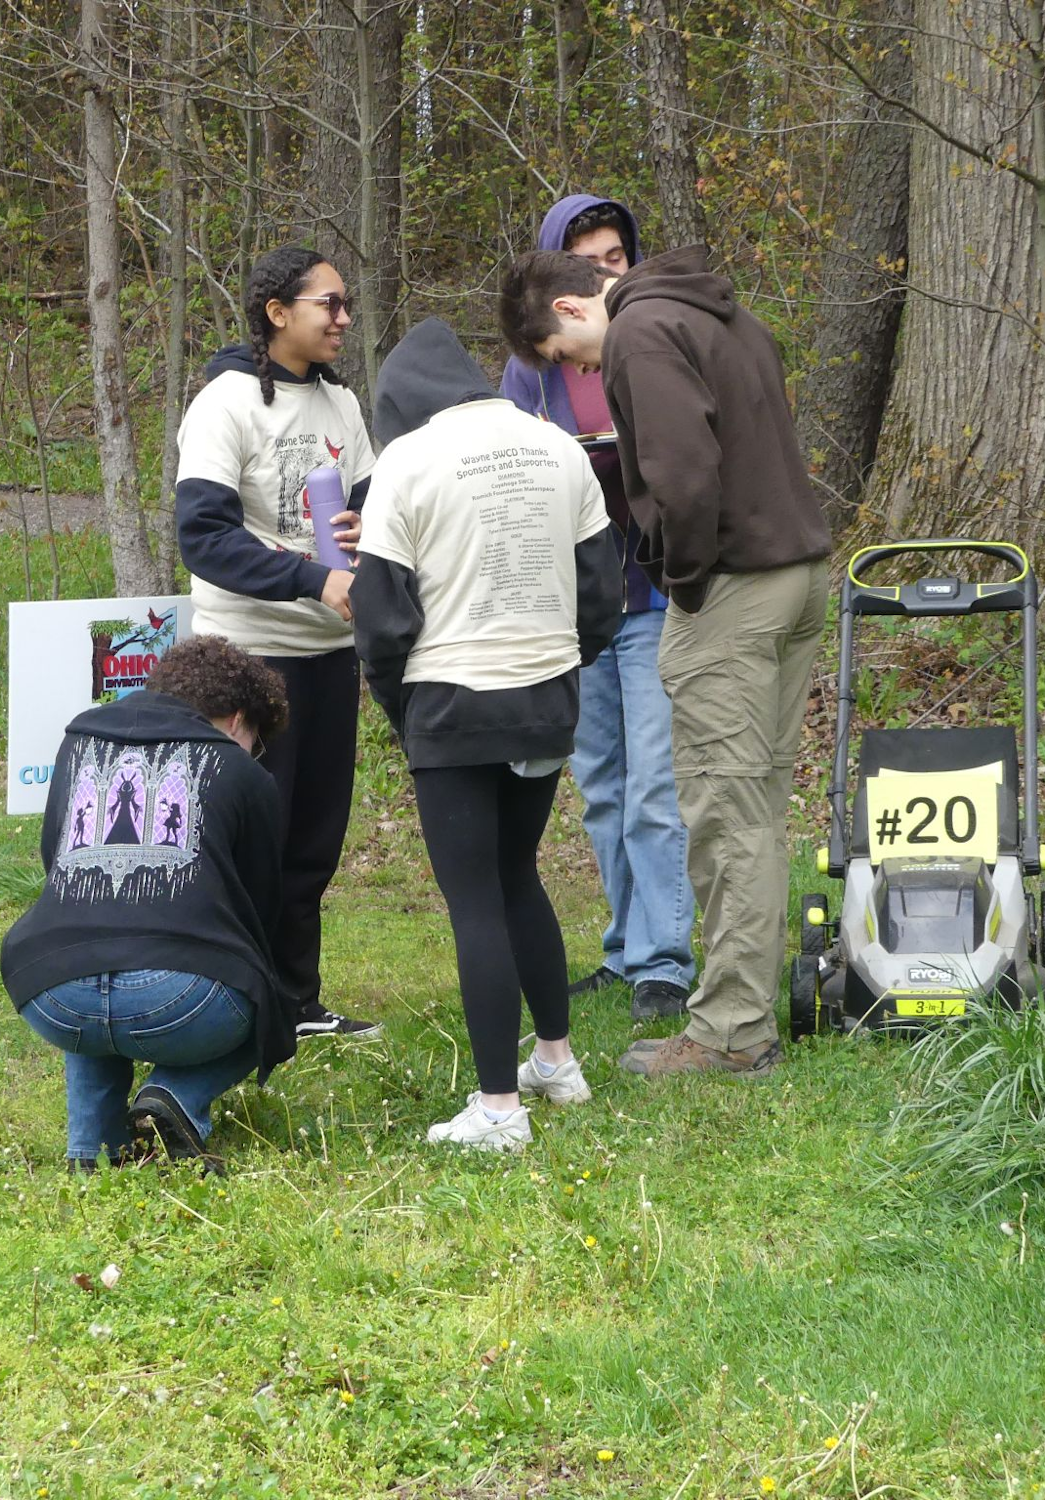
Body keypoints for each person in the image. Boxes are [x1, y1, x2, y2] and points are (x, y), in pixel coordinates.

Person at [497, 246, 833, 1079]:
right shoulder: (717, 310)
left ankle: (731, 1033)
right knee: (753, 807)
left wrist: (679, 581)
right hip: (798, 574)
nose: (578, 367)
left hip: (734, 589)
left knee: (724, 812)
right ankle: (736, 1013)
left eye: (565, 355)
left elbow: (684, 477)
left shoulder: (642, 331)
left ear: (574, 310)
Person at [351, 318, 623, 1151]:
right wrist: (561, 668)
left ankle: (500, 1110)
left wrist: (406, 714)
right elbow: (602, 592)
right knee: (518, 876)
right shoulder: (555, 444)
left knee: (474, 901)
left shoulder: (405, 461)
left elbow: (382, 616)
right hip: (546, 694)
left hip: (453, 701)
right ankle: (557, 1060)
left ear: (398, 406)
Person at [174, 245, 380, 1041]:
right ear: (277, 313)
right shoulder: (225, 404)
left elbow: (371, 508)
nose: (343, 319)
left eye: (346, 304)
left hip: (328, 650)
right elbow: (205, 538)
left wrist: (368, 532)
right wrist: (310, 579)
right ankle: (235, 997)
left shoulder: (342, 405)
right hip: (247, 655)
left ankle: (297, 1001)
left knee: (314, 837)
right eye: (328, 304)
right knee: (252, 833)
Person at [500, 194, 697, 1023]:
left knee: (655, 786)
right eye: (587, 262)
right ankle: (624, 946)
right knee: (605, 788)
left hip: (649, 593)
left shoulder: (650, 341)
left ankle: (666, 959)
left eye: (616, 257)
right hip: (574, 606)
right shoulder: (530, 369)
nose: (606, 273)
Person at [1, 636, 294, 1171]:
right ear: (235, 718)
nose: (255, 751)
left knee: (89, 944)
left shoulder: (78, 741)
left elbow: (54, 858)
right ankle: (177, 1095)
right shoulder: (243, 772)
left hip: (49, 992)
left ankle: (92, 1150)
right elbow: (262, 913)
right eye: (257, 737)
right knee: (273, 991)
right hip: (179, 1001)